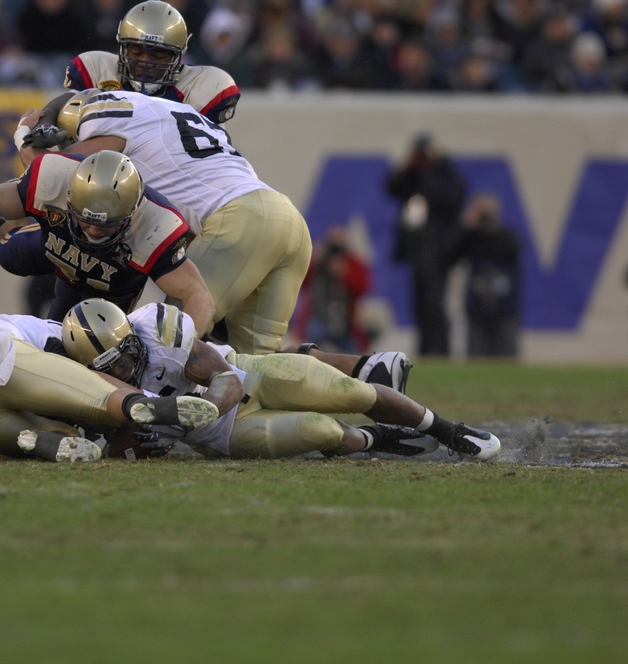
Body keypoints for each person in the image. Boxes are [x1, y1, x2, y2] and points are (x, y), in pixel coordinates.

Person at [18, 87, 311, 356]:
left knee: (167, 340)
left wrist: (23, 138)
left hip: (241, 220)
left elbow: (53, 177)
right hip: (286, 219)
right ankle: (349, 383)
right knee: (254, 364)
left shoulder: (108, 123)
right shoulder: (170, 113)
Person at [61, 298, 502, 461]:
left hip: (249, 374)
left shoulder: (157, 330)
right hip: (224, 435)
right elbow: (118, 445)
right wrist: (136, 443)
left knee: (348, 391)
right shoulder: (92, 383)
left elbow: (226, 381)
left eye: (122, 359)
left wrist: (192, 412)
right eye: (108, 368)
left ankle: (447, 429)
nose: (120, 372)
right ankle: (377, 439)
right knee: (322, 430)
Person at [0, 312, 220, 462]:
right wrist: (141, 398)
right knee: (98, 395)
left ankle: (31, 443)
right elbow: (93, 381)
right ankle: (137, 404)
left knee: (68, 440)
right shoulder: (54, 337)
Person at [0, 149, 215, 334]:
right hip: (51, 248)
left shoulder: (156, 226)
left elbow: (199, 296)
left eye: (106, 224)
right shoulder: (55, 178)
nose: (93, 229)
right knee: (8, 255)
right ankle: (26, 213)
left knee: (82, 347)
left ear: (133, 212)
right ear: (70, 198)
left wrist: (180, 346)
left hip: (104, 293)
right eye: (85, 218)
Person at [63, 0, 240, 125]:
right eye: (137, 52)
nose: (145, 62)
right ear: (123, 48)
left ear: (177, 56)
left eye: (157, 57)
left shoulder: (196, 89)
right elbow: (65, 108)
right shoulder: (98, 69)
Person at [385, 132, 467, 356]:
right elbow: (390, 187)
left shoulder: (445, 172)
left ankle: (440, 349)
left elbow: (452, 196)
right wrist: (409, 167)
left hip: (440, 249)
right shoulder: (412, 174)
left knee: (434, 303)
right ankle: (426, 349)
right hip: (417, 247)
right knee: (420, 303)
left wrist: (430, 170)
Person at [451, 192, 521, 357]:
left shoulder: (507, 238)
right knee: (476, 357)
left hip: (504, 310)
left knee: (506, 358)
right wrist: (467, 226)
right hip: (477, 310)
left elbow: (513, 250)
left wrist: (491, 224)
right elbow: (449, 254)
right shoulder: (470, 239)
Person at [293, 225, 372, 353]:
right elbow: (300, 281)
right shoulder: (318, 263)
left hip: (346, 322)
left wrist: (344, 272)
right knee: (313, 354)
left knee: (352, 356)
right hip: (318, 319)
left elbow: (363, 286)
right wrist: (313, 259)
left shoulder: (351, 263)